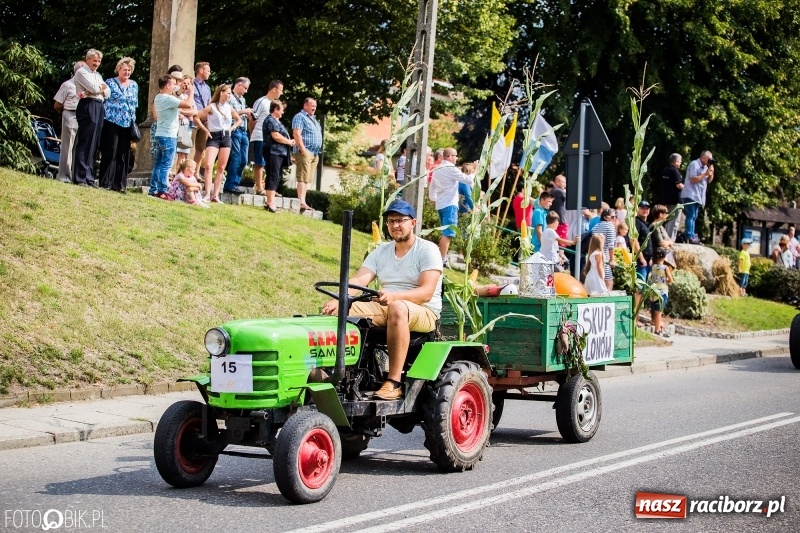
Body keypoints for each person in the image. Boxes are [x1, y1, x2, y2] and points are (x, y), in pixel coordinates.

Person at [321, 199, 442, 400]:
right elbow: (360, 279)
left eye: (400, 220)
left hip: (423, 311)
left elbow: (426, 292)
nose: (395, 225)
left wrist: (396, 296)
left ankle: (394, 382)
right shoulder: (381, 252)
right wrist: (340, 299)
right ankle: (334, 373)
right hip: (387, 306)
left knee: (397, 308)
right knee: (337, 312)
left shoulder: (427, 249)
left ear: (413, 222)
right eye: (391, 221)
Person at [193, 84, 242, 203]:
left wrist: (232, 128)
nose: (230, 95)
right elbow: (196, 117)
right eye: (229, 93)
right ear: (221, 93)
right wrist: (205, 129)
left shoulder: (229, 108)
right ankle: (207, 194)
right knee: (209, 165)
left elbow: (239, 120)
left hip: (226, 136)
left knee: (221, 167)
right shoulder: (212, 107)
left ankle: (215, 195)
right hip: (214, 136)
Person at [149, 75, 195, 199]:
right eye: (173, 84)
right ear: (168, 85)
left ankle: (153, 189)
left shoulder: (159, 97)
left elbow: (175, 95)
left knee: (158, 163)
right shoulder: (168, 99)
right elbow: (189, 104)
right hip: (169, 136)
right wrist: (191, 92)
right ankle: (163, 190)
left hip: (160, 134)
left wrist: (179, 90)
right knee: (166, 165)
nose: (175, 86)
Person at [429, 148, 476, 264]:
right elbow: (468, 179)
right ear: (449, 156)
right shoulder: (451, 169)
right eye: (456, 155)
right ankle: (442, 259)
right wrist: (475, 170)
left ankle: (441, 257)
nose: (457, 158)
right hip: (450, 204)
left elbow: (432, 187)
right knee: (448, 233)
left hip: (441, 204)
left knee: (445, 232)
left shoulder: (437, 168)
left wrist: (434, 199)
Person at [99, 57, 138, 193]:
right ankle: (105, 182)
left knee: (123, 154)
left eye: (129, 70)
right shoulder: (110, 82)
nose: (127, 72)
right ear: (119, 69)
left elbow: (135, 104)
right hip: (111, 121)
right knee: (110, 151)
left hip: (127, 123)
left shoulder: (134, 85)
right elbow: (104, 99)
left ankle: (119, 185)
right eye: (124, 69)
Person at [73, 49, 111, 187]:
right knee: (86, 140)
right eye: (94, 60)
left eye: (99, 61)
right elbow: (95, 89)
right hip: (88, 105)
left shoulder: (98, 75)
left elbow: (108, 92)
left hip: (99, 105)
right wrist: (99, 88)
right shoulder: (82, 72)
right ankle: (80, 176)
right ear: (88, 59)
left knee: (94, 142)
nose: (97, 63)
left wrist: (99, 88)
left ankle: (89, 177)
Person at [53, 60, 86, 184]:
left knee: (79, 148)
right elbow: (57, 104)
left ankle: (75, 177)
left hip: (83, 117)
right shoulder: (67, 85)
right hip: (70, 114)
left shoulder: (87, 86)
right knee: (67, 148)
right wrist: (66, 114)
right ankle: (64, 177)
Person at [250, 80, 284, 195]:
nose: (281, 93)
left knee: (270, 164)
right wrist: (252, 133)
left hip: (270, 139)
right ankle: (259, 188)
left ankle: (269, 189)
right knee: (260, 162)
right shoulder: (262, 101)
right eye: (281, 90)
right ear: (274, 89)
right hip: (259, 135)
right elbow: (252, 118)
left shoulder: (275, 104)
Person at [262, 100, 295, 213]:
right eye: (281, 110)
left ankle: (271, 201)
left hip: (279, 152)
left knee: (277, 176)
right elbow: (276, 136)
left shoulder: (276, 121)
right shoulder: (270, 120)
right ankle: (270, 202)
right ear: (275, 109)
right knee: (273, 175)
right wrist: (289, 142)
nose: (283, 112)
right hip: (273, 152)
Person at [291, 97, 323, 210]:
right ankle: (301, 202)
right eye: (312, 105)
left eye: (315, 106)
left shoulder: (314, 120)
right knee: (302, 178)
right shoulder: (300, 117)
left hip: (314, 153)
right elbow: (296, 134)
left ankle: (303, 201)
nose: (314, 108)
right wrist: (303, 150)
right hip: (305, 151)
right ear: (305, 106)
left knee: (307, 179)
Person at [224, 77, 253, 194]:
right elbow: (228, 113)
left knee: (244, 160)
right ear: (239, 85)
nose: (246, 91)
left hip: (244, 131)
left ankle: (235, 184)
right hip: (234, 129)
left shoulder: (242, 99)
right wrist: (244, 112)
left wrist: (248, 115)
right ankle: (230, 185)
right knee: (235, 158)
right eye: (245, 88)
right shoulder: (230, 97)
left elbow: (240, 114)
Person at [681, 151, 714, 244]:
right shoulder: (694, 164)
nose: (710, 161)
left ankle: (692, 235)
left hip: (698, 196)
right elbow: (693, 179)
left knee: (694, 216)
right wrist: (705, 174)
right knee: (691, 215)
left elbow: (709, 181)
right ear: (703, 158)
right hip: (690, 194)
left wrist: (711, 172)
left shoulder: (705, 167)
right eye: (709, 159)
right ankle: (689, 236)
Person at [656, 153, 684, 240]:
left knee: (667, 219)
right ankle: (670, 239)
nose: (680, 163)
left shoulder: (665, 170)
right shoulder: (674, 171)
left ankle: (665, 237)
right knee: (674, 221)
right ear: (676, 162)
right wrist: (687, 188)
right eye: (680, 161)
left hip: (666, 199)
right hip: (675, 200)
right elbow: (678, 185)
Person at [191, 62, 212, 171]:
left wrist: (207, 115)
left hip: (204, 120)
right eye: (208, 70)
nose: (209, 73)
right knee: (188, 146)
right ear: (201, 71)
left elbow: (209, 103)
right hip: (193, 118)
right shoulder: (191, 84)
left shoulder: (207, 88)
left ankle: (195, 172)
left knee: (201, 148)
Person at [648, 247, 673, 337]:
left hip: (653, 291)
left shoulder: (653, 267)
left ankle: (657, 326)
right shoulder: (665, 268)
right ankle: (657, 330)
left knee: (655, 310)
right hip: (662, 292)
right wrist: (666, 279)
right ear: (664, 257)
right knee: (659, 311)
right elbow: (670, 280)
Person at [173, 74, 197, 169]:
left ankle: (182, 173)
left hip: (187, 127)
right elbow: (176, 108)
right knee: (179, 153)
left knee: (185, 153)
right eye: (184, 83)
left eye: (188, 84)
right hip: (179, 125)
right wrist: (186, 111)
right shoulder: (176, 94)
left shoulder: (189, 97)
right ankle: (177, 174)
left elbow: (194, 111)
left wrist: (183, 111)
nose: (185, 86)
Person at [591, 208, 618, 290]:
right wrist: (612, 260)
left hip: (594, 258)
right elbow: (611, 245)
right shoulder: (610, 226)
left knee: (598, 283)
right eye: (612, 217)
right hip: (604, 258)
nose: (614, 219)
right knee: (609, 283)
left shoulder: (596, 226)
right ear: (605, 217)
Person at [550, 174, 569, 238]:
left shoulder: (552, 190)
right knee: (562, 244)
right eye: (564, 182)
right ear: (557, 182)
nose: (565, 185)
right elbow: (571, 197)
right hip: (561, 222)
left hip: (555, 220)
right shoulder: (558, 191)